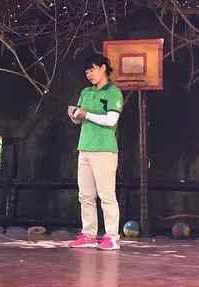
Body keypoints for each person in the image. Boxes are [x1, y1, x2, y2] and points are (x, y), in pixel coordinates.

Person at [68, 54, 123, 250]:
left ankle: (112, 237)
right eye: (86, 72)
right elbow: (80, 119)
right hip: (85, 148)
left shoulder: (113, 92)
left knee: (106, 195)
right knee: (85, 195)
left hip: (104, 150)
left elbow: (111, 121)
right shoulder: (85, 92)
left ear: (102, 68)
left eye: (92, 69)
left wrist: (86, 114)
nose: (89, 74)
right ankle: (88, 234)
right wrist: (74, 116)